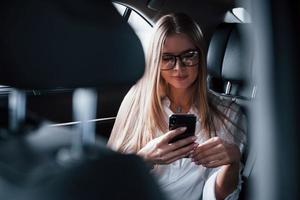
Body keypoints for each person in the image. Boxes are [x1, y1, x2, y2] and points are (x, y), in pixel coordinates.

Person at [108, 13, 247, 200]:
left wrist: (233, 163)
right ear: (156, 60)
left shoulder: (227, 112)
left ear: (201, 55)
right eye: (167, 58)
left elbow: (215, 196)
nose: (179, 68)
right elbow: (110, 180)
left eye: (188, 56)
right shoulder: (137, 101)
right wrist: (144, 159)